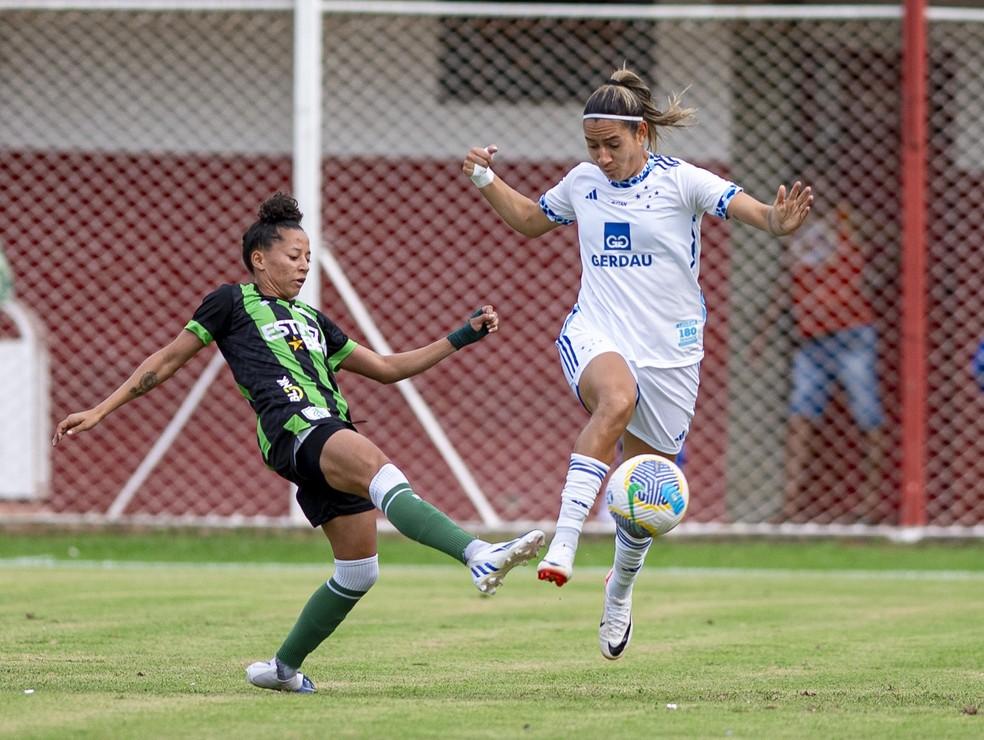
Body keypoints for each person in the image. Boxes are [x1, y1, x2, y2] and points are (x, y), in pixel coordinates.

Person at [52, 193, 544, 693]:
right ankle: (477, 553)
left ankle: (283, 669)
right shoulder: (231, 301)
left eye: (308, 257)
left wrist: (461, 335)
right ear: (259, 258)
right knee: (379, 468)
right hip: (296, 428)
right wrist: (100, 410)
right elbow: (167, 360)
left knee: (359, 572)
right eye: (294, 256)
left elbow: (388, 369)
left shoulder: (311, 320)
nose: (304, 266)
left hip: (324, 430)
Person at [461, 67, 811, 660]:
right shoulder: (582, 183)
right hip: (598, 331)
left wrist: (776, 221)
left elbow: (746, 208)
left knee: (642, 501)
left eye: (611, 144)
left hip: (672, 353)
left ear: (642, 134)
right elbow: (527, 221)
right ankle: (564, 543)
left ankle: (619, 590)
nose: (600, 156)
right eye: (591, 145)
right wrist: (483, 177)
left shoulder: (683, 182)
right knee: (615, 399)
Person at [749, 193, 885, 522]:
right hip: (812, 339)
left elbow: (877, 239)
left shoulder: (845, 219)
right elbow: (787, 285)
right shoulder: (792, 232)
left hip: (851, 333)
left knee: (867, 414)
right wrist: (763, 332)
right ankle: (791, 504)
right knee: (800, 415)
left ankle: (872, 500)